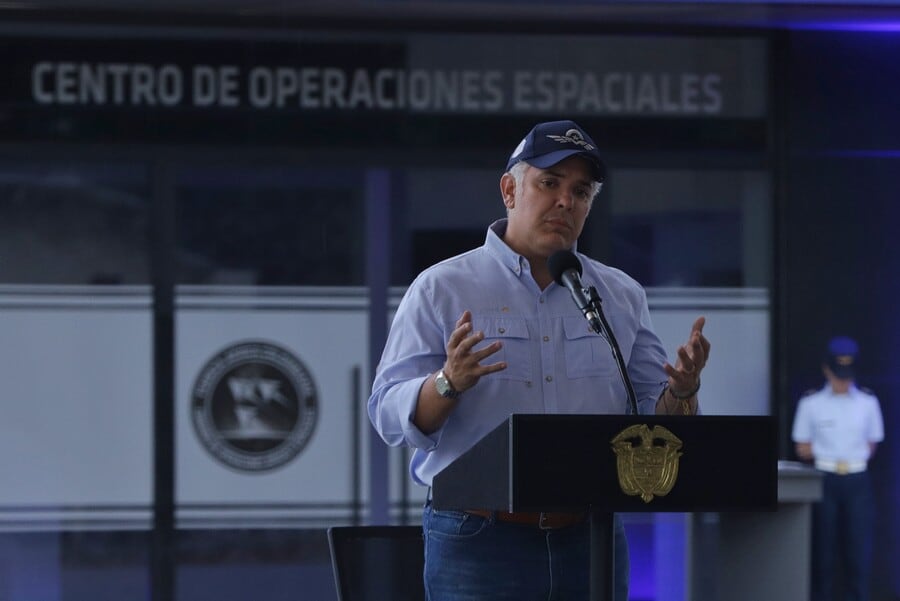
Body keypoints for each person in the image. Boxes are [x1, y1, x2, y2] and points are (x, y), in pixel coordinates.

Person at [368, 119, 711, 601]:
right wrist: (448, 383)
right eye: (549, 183)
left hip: (590, 536)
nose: (565, 201)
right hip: (479, 539)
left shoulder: (619, 295)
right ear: (510, 189)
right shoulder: (444, 287)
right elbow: (386, 414)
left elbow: (654, 421)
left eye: (581, 190)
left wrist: (683, 392)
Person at [792, 336, 884, 601]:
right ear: (826, 369)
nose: (843, 381)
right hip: (824, 479)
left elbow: (872, 444)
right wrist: (828, 454)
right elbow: (802, 447)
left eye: (848, 374)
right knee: (823, 552)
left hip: (857, 480)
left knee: (858, 551)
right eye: (838, 373)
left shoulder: (867, 402)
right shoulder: (812, 403)